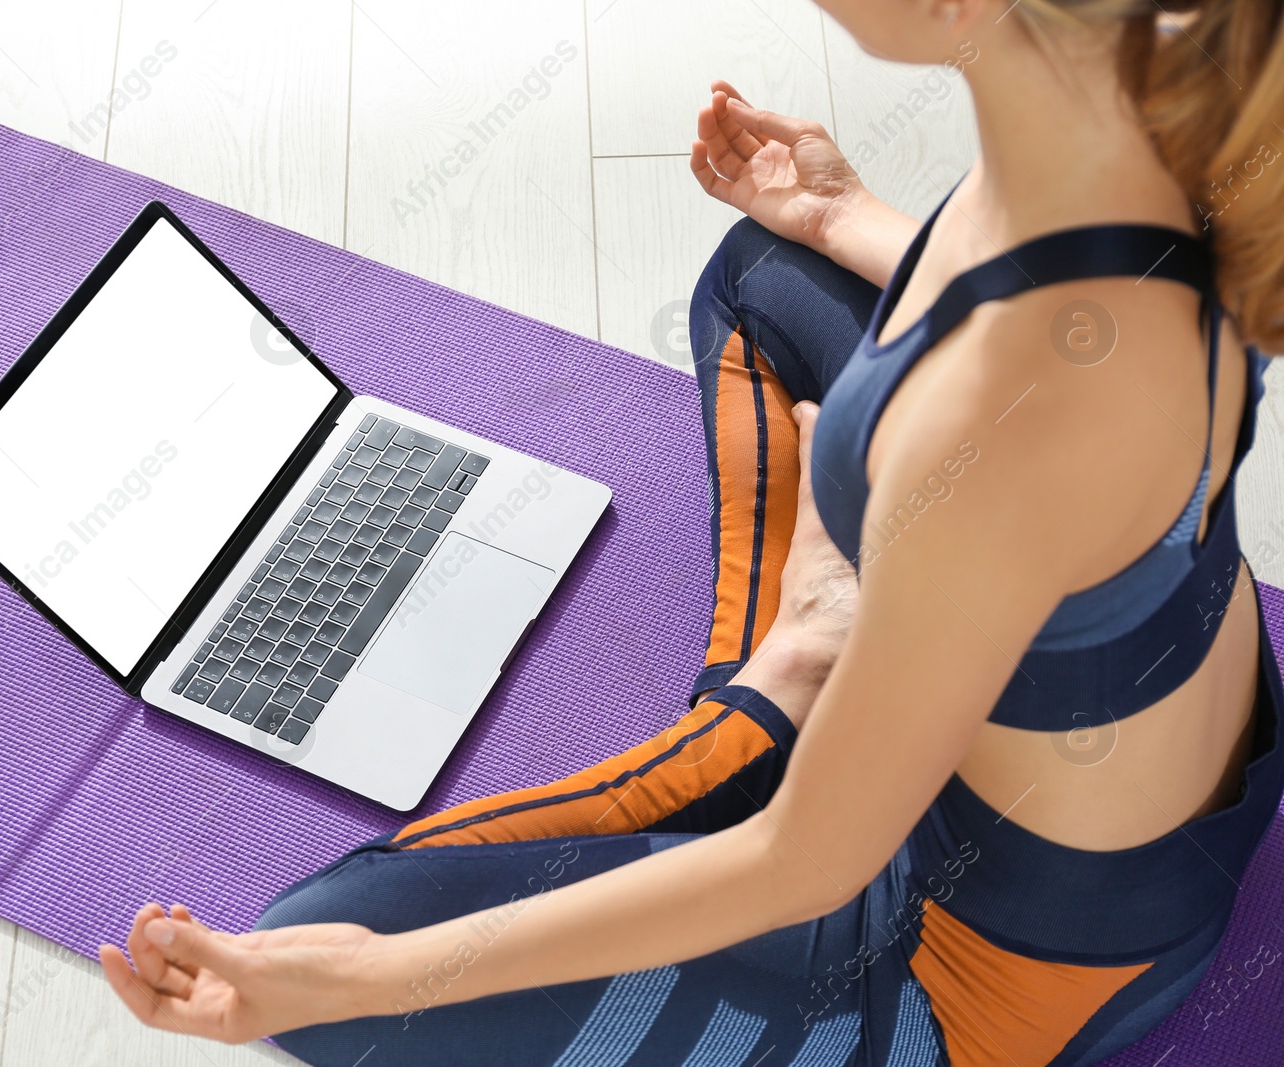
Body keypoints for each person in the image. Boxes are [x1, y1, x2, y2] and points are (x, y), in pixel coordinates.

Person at [99, 1, 1284, 1063]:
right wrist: (841, 211)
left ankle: (780, 680)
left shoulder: (987, 418)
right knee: (768, 263)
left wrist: (360, 973)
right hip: (1165, 768)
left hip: (1000, 968)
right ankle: (813, 657)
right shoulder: (1157, 90)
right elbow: (1025, 307)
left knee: (316, 953)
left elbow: (803, 862)